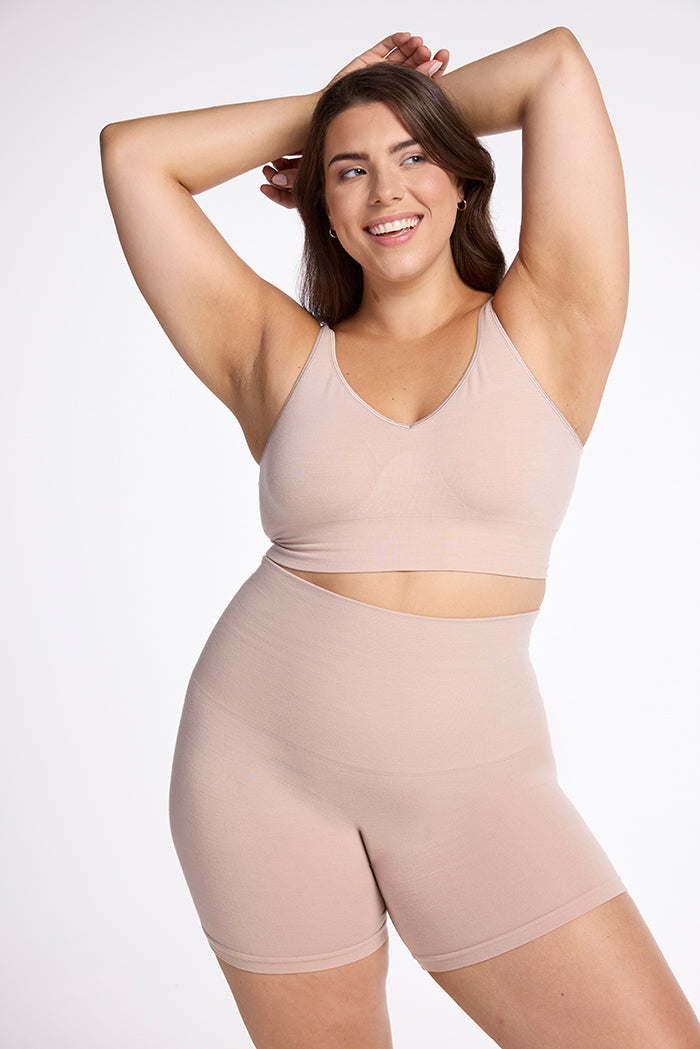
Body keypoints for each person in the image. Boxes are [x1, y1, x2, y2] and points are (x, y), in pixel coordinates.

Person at [100, 29, 700, 1049]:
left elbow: (555, 64)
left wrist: (375, 108)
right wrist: (334, 104)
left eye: (413, 156)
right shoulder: (278, 355)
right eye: (350, 172)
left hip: (476, 788)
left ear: (465, 179)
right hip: (254, 772)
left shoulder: (553, 318)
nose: (384, 189)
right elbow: (133, 156)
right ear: (317, 205)